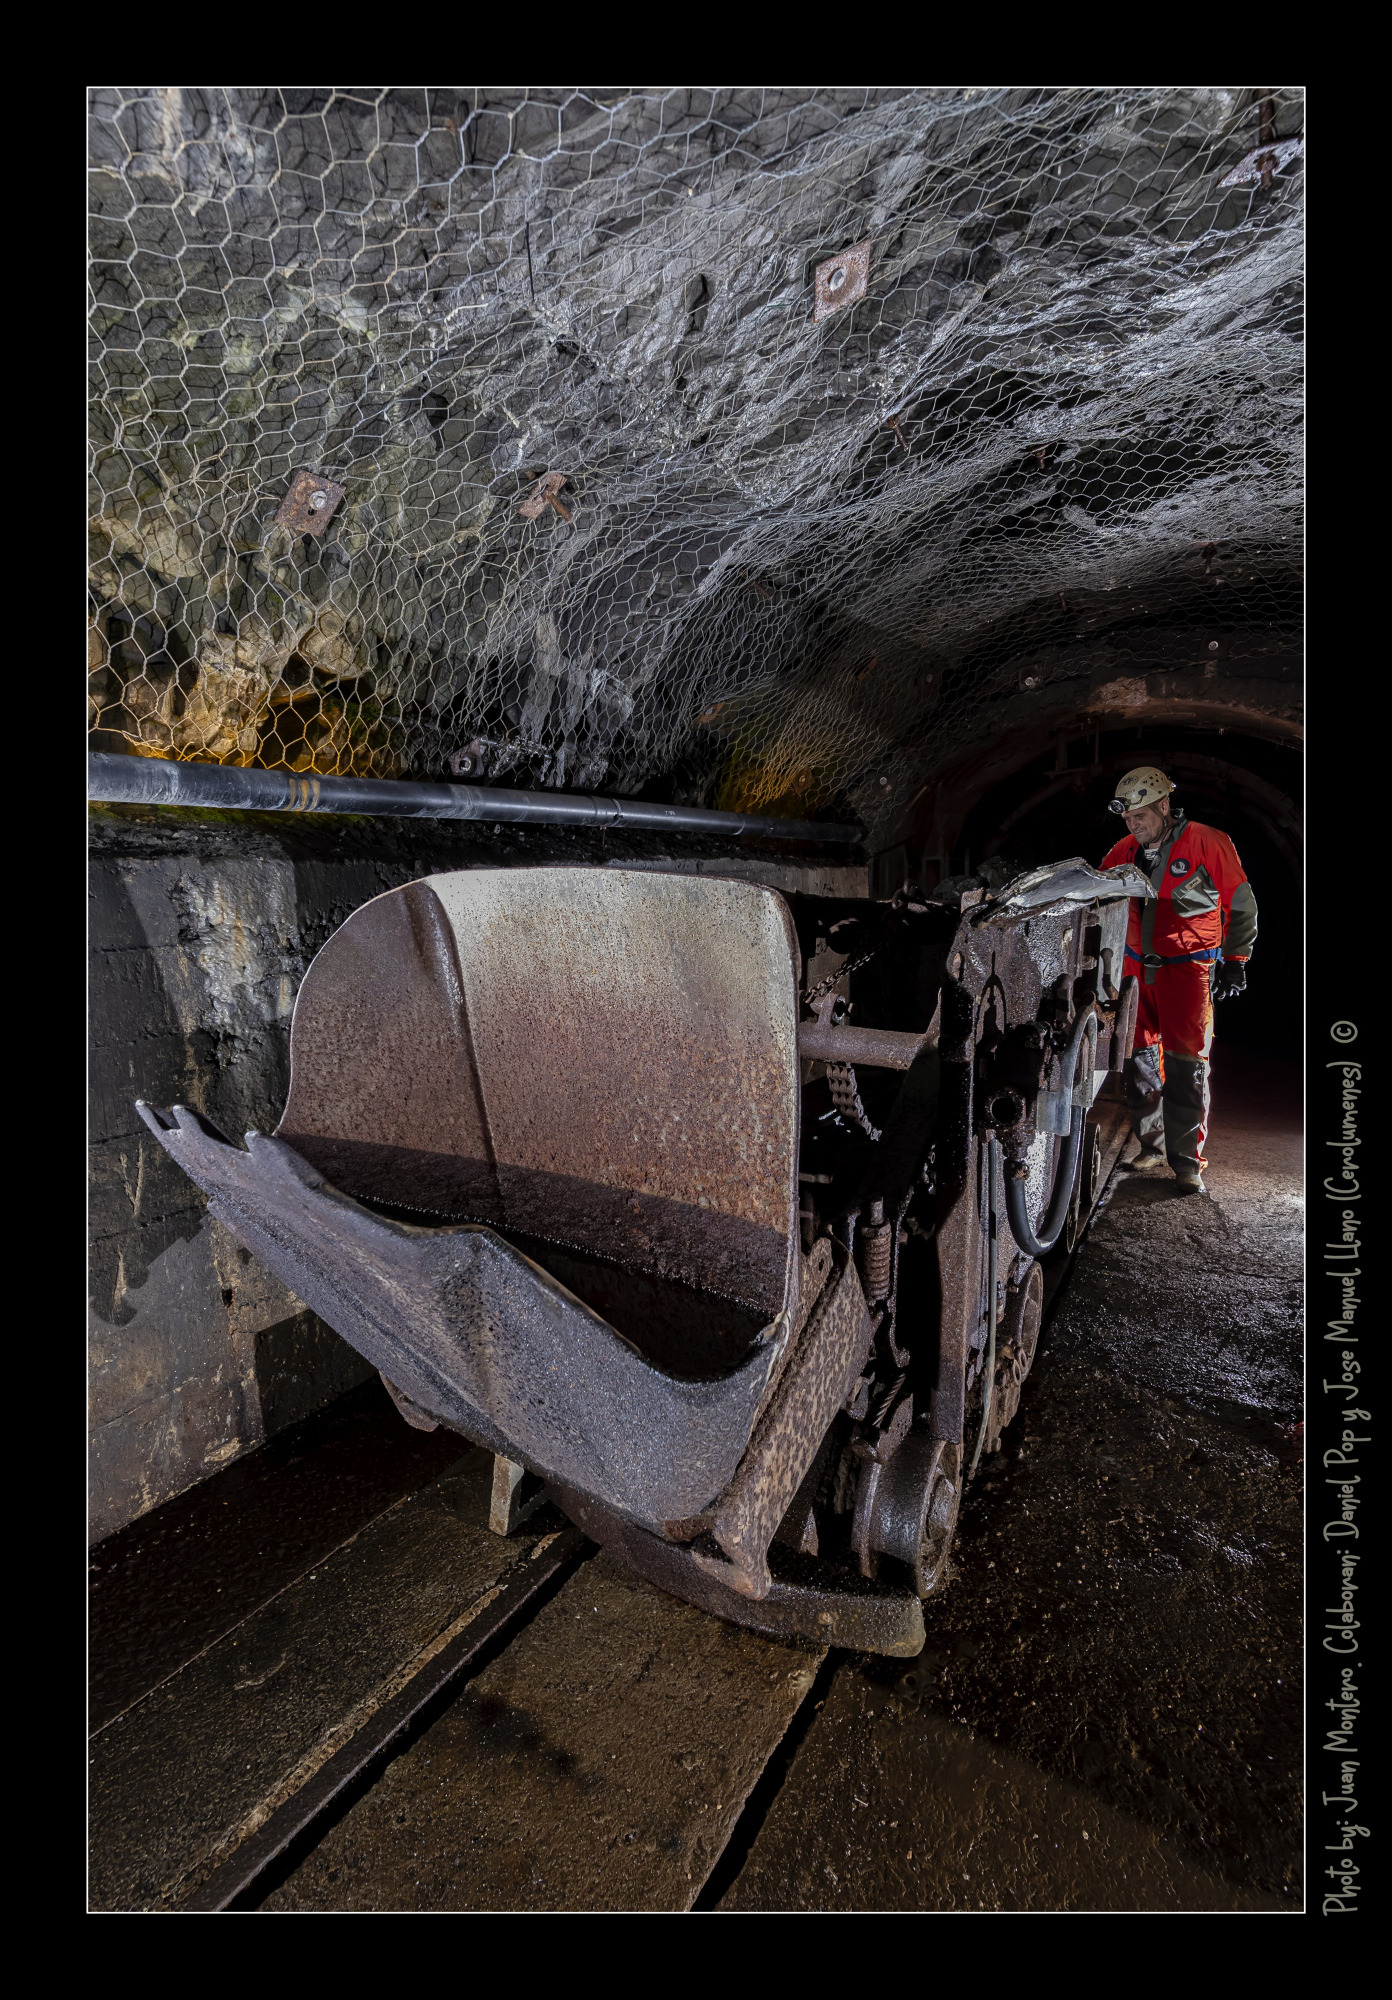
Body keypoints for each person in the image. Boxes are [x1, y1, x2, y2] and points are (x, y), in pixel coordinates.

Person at [1100, 766, 1257, 1195]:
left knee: (1187, 1067)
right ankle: (1152, 1145)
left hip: (1188, 972)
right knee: (1138, 1064)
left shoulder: (1207, 841)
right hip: (1136, 971)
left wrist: (1236, 958)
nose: (1134, 825)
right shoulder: (1125, 850)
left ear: (1164, 805)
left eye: (1141, 816)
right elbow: (1097, 889)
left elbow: (1241, 903)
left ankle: (1187, 1162)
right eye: (1128, 818)